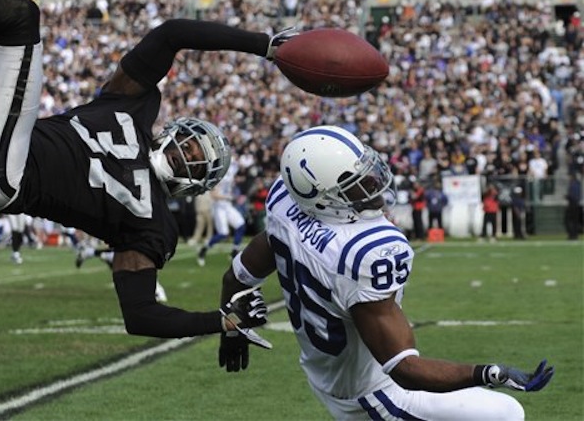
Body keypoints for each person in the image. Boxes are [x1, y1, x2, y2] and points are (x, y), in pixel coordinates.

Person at [0, 0, 281, 338]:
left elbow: (141, 314)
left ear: (196, 185)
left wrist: (221, 322)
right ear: (178, 129)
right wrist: (265, 45)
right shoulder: (131, 105)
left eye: (198, 161)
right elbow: (172, 33)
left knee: (22, 19)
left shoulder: (156, 227)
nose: (189, 154)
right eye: (194, 145)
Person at [218, 126, 553, 420]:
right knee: (508, 413)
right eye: (353, 183)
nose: (372, 183)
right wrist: (490, 373)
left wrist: (231, 329)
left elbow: (236, 278)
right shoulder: (363, 250)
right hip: (372, 394)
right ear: (320, 196)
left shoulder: (287, 204)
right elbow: (404, 370)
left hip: (324, 372)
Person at [197, 160, 246, 266]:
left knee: (240, 225)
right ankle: (204, 249)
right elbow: (214, 195)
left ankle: (234, 251)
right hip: (219, 206)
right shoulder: (216, 175)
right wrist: (229, 197)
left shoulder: (231, 169)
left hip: (227, 205)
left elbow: (240, 167)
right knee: (223, 233)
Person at [564, 173, 582, 240]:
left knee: (568, 220)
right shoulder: (578, 184)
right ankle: (575, 235)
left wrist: (566, 197)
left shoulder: (573, 184)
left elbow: (572, 196)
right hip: (577, 204)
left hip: (572, 204)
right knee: (575, 221)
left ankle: (572, 235)